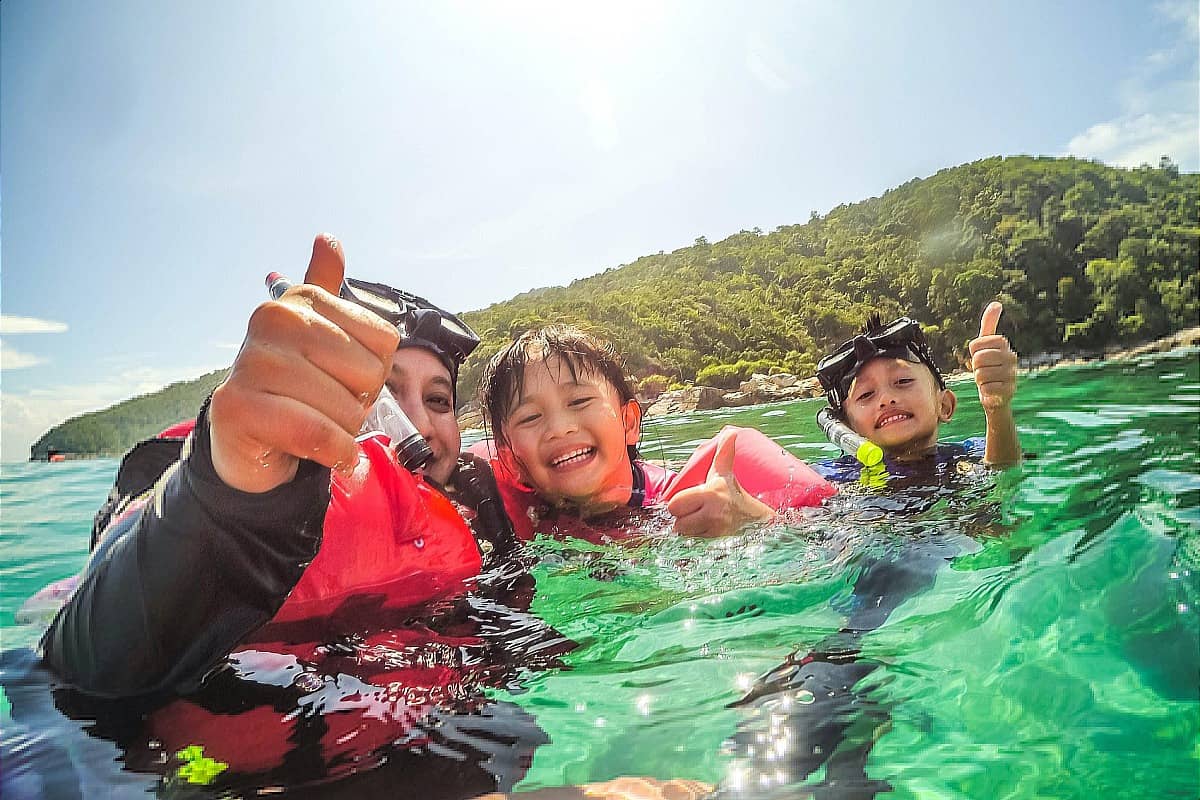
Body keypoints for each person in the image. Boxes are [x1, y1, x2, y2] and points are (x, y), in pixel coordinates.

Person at [22, 235, 567, 798]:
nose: (418, 427)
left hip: (438, 744)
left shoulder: (480, 511)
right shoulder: (208, 493)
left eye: (439, 401)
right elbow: (81, 666)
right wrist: (234, 485)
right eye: (381, 392)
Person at [478, 325, 833, 542]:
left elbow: (835, 545)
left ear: (629, 422)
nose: (560, 428)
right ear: (511, 459)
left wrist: (755, 522)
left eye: (579, 400)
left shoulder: (681, 504)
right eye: (531, 417)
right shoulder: (505, 520)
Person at [813, 302, 1020, 484]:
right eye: (866, 395)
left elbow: (1003, 475)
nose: (886, 399)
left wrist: (997, 410)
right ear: (848, 428)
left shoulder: (971, 453)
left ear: (944, 406)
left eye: (903, 381)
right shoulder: (831, 477)